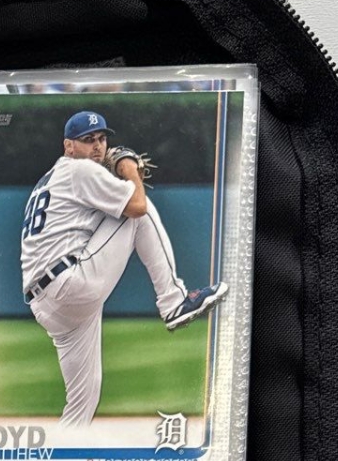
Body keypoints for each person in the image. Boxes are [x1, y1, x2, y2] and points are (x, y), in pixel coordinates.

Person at [21, 109, 227, 426]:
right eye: (87, 140)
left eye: (102, 139)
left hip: (47, 304)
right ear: (68, 146)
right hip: (70, 283)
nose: (97, 146)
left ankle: (59, 457)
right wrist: (129, 169)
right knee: (139, 211)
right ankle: (173, 301)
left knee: (83, 401)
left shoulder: (47, 181)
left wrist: (124, 178)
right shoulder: (80, 170)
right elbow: (137, 206)